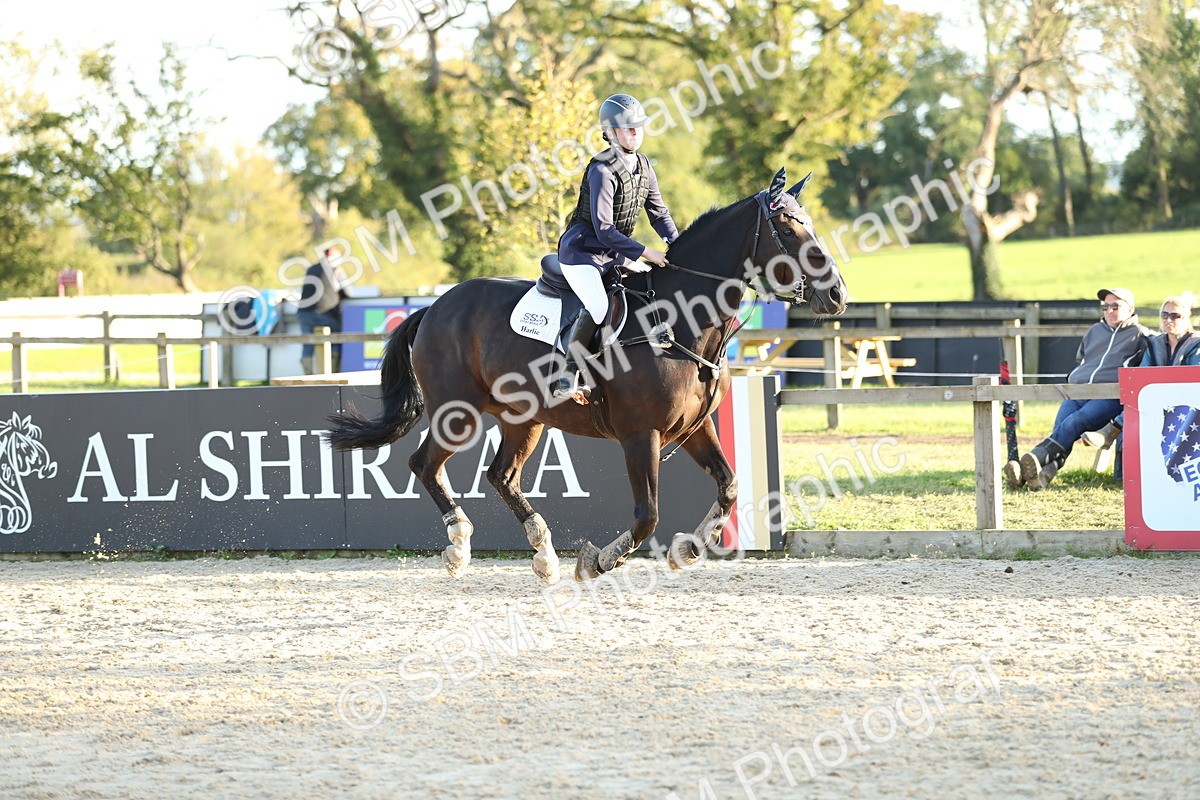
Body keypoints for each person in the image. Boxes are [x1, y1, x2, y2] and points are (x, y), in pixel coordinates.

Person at [550, 93, 680, 400]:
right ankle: (567, 375)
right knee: (598, 306)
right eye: (627, 128)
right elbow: (605, 229)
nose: (635, 132)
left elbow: (659, 213)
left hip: (614, 254)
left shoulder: (644, 166)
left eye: (638, 127)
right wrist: (646, 252)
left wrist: (677, 244)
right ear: (610, 132)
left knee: (652, 286)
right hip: (582, 253)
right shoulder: (602, 169)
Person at [1004, 287, 1150, 490]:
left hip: (1109, 397)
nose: (1109, 311)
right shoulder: (1094, 331)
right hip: (1078, 392)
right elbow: (1082, 359)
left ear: (1130, 309)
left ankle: (1033, 459)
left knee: (1073, 423)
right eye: (1105, 306)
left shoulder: (1141, 335)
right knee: (1061, 427)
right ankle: (1042, 476)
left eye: (1115, 306)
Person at [1080, 292, 1200, 481]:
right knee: (1135, 406)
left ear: (1186, 318)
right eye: (1165, 315)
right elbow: (1142, 378)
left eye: (1175, 316)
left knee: (1140, 407)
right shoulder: (1154, 344)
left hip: (1188, 405)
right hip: (1156, 403)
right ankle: (1125, 477)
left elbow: (1191, 381)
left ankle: (1112, 430)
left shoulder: (1196, 344)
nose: (1169, 320)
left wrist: (1159, 388)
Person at [297, 247, 351, 375]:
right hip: (326, 313)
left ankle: (308, 377)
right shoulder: (336, 269)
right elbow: (349, 292)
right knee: (335, 342)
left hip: (304, 313)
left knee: (307, 345)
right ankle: (332, 375)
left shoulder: (311, 269)